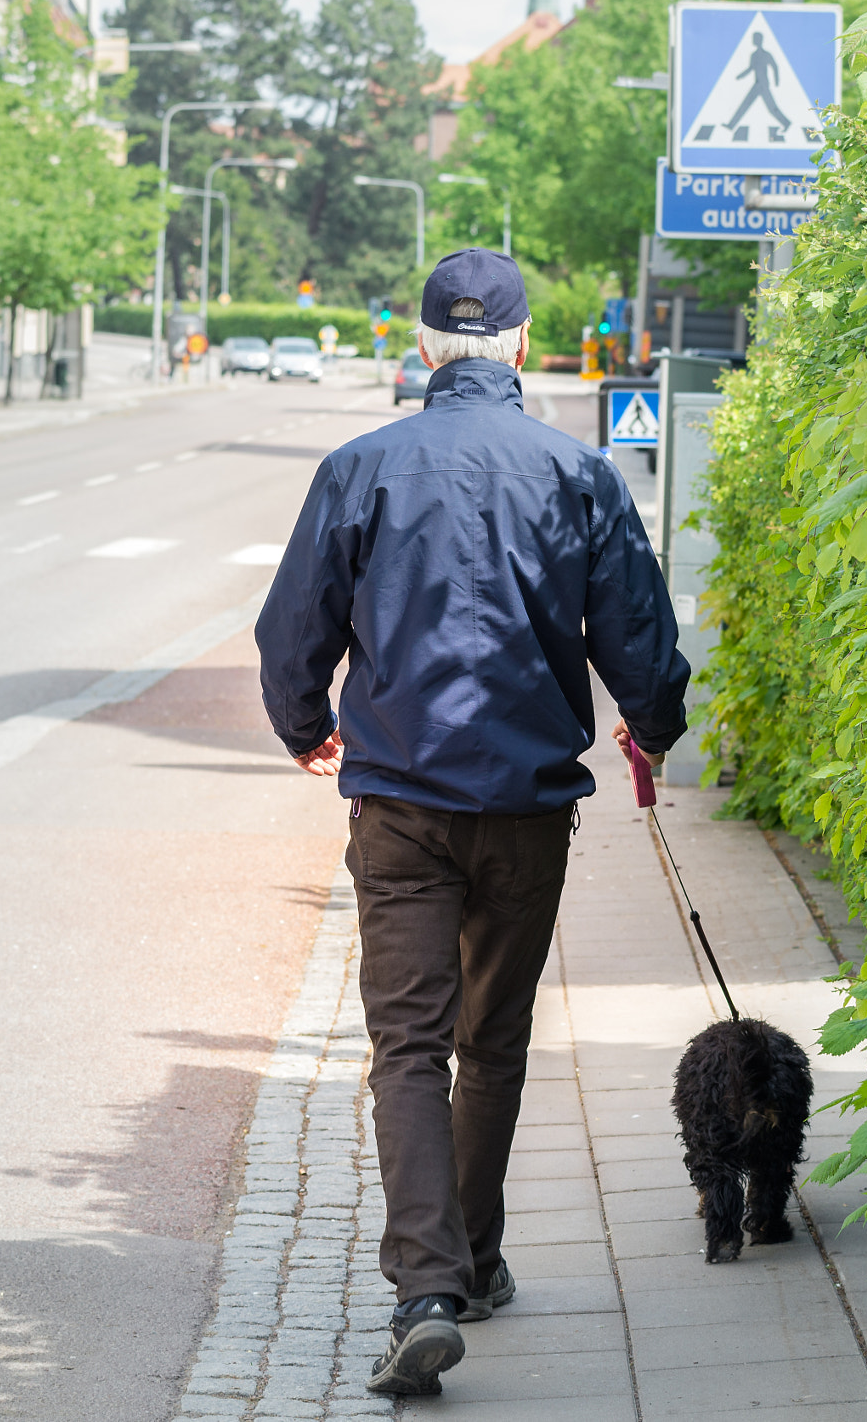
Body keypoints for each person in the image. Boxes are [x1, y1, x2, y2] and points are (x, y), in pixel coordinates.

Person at [255, 247, 690, 1397]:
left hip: (398, 801)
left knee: (406, 1043)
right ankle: (479, 1261)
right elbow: (636, 638)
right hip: (526, 806)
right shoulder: (578, 474)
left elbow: (291, 625)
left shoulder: (361, 467)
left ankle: (426, 1289)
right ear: (518, 343)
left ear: (423, 349)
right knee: (490, 1042)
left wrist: (304, 725)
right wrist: (653, 727)